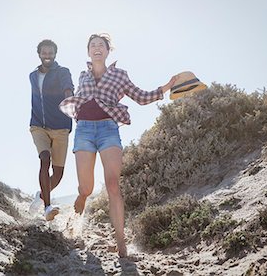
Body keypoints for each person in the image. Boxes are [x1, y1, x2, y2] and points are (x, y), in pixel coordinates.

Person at [59, 33, 179, 257]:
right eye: (92, 45)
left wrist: (166, 87)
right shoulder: (82, 75)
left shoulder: (120, 75)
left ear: (107, 50)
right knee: (86, 188)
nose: (97, 48)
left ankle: (121, 242)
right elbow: (76, 102)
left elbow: (141, 97)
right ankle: (78, 212)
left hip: (108, 131)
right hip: (84, 130)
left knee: (113, 184)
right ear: (88, 51)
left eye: (101, 45)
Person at [28, 39, 74, 221]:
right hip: (38, 125)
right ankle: (47, 207)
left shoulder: (62, 72)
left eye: (50, 52)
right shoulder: (32, 76)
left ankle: (40, 196)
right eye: (44, 52)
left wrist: (69, 98)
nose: (47, 55)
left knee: (58, 174)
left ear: (55, 54)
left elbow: (67, 86)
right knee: (44, 159)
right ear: (39, 54)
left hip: (61, 127)